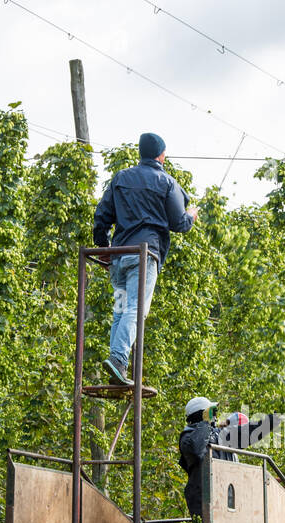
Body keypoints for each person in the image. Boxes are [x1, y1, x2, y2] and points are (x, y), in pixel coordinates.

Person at [93, 132, 199, 387]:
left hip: (118, 258)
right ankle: (118, 358)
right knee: (137, 309)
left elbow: (101, 216)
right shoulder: (167, 182)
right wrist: (191, 215)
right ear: (161, 155)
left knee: (121, 309)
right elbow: (179, 223)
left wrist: (103, 245)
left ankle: (116, 364)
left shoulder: (121, 178)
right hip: (144, 256)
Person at [177, 397, 278, 516]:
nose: (215, 415)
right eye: (212, 412)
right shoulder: (187, 438)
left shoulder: (220, 434)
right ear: (203, 414)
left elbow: (248, 432)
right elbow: (196, 449)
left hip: (228, 501)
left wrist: (275, 419)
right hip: (204, 504)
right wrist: (205, 422)